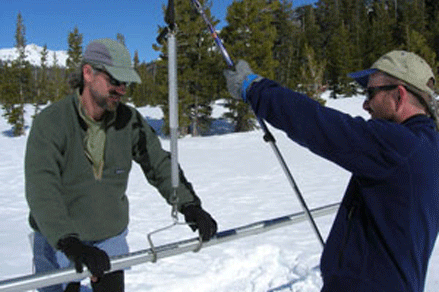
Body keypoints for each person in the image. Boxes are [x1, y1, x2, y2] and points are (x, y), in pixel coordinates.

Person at [223, 50, 439, 292]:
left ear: (399, 96)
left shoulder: (400, 146)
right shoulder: (427, 146)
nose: (365, 104)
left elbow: (319, 124)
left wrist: (256, 89)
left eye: (371, 92)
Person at [25, 38, 217, 292]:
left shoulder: (129, 121)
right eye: (115, 81)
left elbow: (158, 163)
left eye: (125, 83)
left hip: (109, 236)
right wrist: (68, 241)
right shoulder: (52, 122)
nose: (122, 90)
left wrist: (190, 206)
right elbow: (42, 188)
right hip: (59, 238)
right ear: (88, 73)